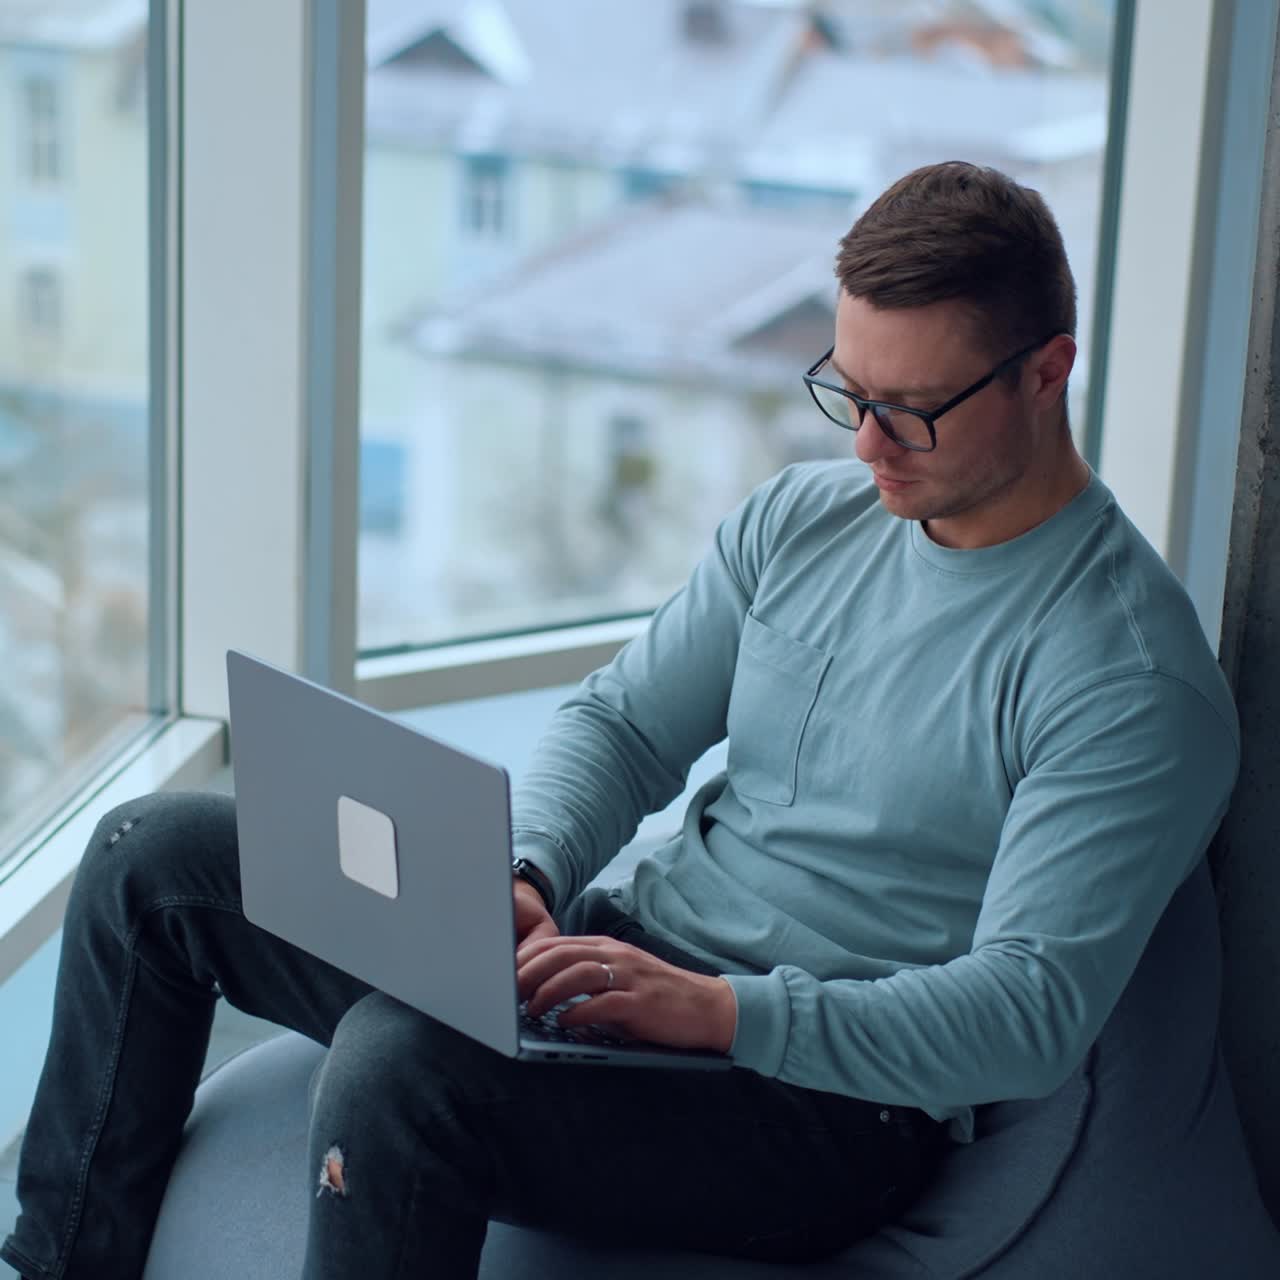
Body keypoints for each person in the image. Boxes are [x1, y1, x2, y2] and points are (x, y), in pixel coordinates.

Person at [1, 161, 1239, 1280]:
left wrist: (719, 1011)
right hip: (615, 956)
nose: (866, 446)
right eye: (844, 392)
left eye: (910, 410)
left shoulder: (1124, 674)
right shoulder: (804, 521)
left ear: (1044, 370)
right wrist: (529, 867)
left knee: (398, 1064)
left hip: (810, 1101)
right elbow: (627, 721)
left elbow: (1022, 1015)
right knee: (146, 856)